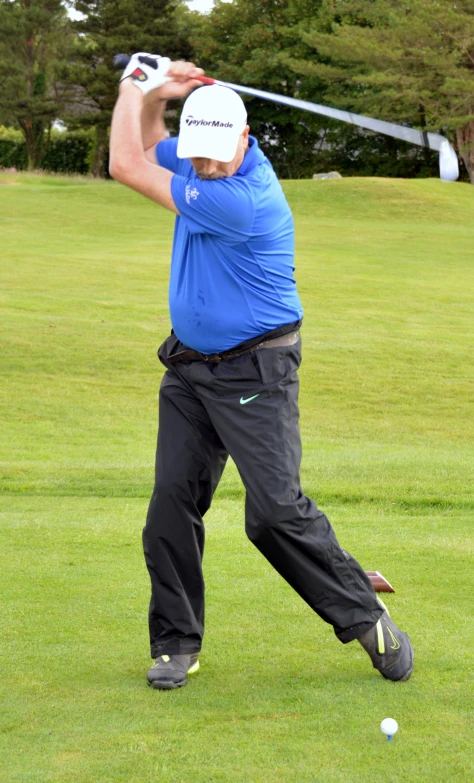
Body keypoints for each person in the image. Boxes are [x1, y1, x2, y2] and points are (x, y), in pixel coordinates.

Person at [109, 54, 414, 690]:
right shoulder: (198, 160)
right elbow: (150, 143)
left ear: (245, 141)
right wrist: (160, 94)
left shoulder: (241, 198)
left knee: (272, 514)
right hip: (191, 369)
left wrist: (133, 85)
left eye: (218, 153)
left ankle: (364, 613)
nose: (206, 165)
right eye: (198, 153)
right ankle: (176, 645)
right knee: (170, 505)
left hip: (257, 369)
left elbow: (123, 163)